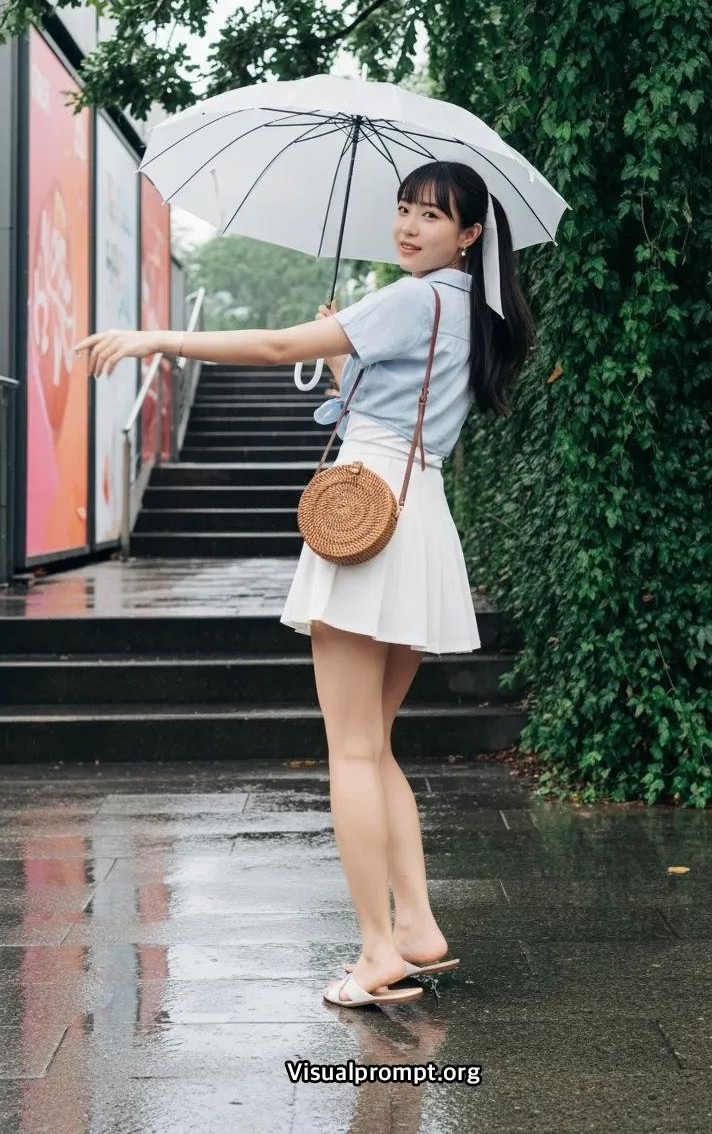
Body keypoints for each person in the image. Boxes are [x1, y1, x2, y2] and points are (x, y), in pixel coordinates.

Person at [76, 159, 536, 1010]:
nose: (409, 226)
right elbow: (389, 407)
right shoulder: (473, 310)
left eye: (431, 216)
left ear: (470, 234)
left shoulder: (413, 300)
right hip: (417, 512)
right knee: (376, 745)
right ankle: (416, 928)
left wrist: (157, 338)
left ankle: (376, 953)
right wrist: (345, 358)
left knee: (351, 750)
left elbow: (278, 347)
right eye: (403, 209)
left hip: (369, 513)